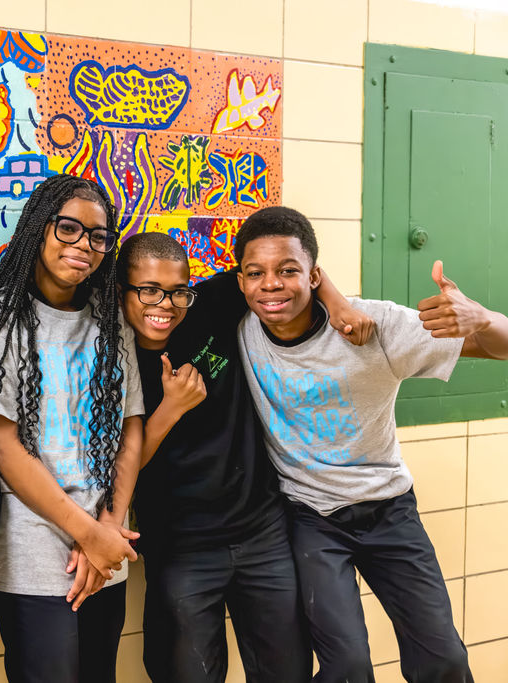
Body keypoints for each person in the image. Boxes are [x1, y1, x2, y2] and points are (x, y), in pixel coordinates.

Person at [234, 205, 508, 683]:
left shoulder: (374, 326)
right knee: (348, 668)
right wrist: (330, 293)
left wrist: (482, 318)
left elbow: (501, 345)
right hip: (311, 517)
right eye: (256, 273)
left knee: (444, 660)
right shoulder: (240, 328)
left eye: (289, 271)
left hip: (389, 511)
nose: (271, 284)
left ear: (314, 275)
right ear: (241, 281)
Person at [119, 231, 368, 683]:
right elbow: (120, 467)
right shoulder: (111, 359)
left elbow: (284, 269)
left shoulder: (208, 306)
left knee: (287, 669)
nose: (165, 304)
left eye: (177, 291)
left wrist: (339, 303)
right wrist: (171, 408)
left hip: (262, 532)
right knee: (186, 671)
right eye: (148, 290)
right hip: (180, 545)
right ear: (122, 292)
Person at [0, 174, 143, 683]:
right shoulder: (0, 324)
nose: (84, 245)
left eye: (98, 236)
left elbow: (131, 431)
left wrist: (108, 526)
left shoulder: (111, 324)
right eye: (68, 229)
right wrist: (89, 534)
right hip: (35, 552)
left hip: (108, 543)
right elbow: (4, 446)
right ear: (39, 229)